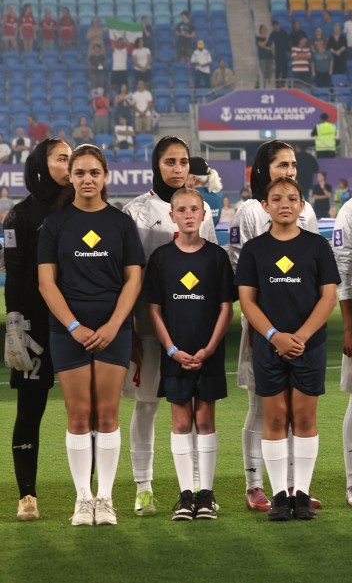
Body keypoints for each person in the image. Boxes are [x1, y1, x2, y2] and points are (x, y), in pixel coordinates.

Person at [37, 145, 145, 525]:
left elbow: (134, 278)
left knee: (108, 414)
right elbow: (47, 283)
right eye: (80, 173)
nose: (87, 179)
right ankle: (83, 498)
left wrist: (115, 325)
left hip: (112, 329)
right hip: (69, 331)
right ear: (71, 177)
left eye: (94, 173)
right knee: (79, 415)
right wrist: (73, 326)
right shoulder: (55, 225)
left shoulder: (120, 223)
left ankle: (106, 498)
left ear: (105, 177)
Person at [121, 138, 219, 515]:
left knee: (193, 406)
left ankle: (196, 487)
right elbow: (131, 274)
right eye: (169, 162)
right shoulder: (137, 211)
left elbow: (209, 266)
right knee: (147, 406)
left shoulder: (201, 208)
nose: (178, 169)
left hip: (192, 325)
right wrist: (130, 326)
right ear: (155, 165)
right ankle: (143, 486)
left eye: (182, 162)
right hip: (150, 324)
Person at [237, 177, 339, 521]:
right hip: (269, 346)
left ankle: (303, 494)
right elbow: (247, 302)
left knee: (305, 417)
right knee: (276, 417)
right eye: (277, 198)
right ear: (264, 206)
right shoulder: (254, 250)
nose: (285, 203)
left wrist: (302, 337)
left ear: (301, 206)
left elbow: (329, 296)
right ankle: (280, 495)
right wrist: (275, 336)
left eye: (292, 198)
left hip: (309, 345)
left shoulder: (317, 246)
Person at [227, 141, 321, 511]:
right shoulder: (249, 211)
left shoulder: (306, 209)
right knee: (262, 406)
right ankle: (254, 484)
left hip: (299, 328)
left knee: (298, 411)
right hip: (263, 326)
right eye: (283, 164)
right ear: (263, 170)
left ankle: (293, 486)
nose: (290, 170)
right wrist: (260, 328)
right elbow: (244, 271)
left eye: (294, 164)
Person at [145, 188, 234, 520]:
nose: (187, 214)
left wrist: (209, 348)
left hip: (207, 352)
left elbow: (226, 307)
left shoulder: (216, 257)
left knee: (205, 420)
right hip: (175, 354)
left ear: (203, 214)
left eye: (193, 209)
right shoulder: (162, 259)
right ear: (172, 217)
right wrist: (171, 350)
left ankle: (206, 494)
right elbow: (154, 309)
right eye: (180, 209)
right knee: (181, 422)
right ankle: (186, 495)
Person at [3, 140, 72, 521]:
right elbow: (14, 276)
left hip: (79, 328)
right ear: (42, 166)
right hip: (35, 329)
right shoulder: (18, 217)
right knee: (30, 410)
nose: (70, 164)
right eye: (63, 158)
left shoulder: (83, 208)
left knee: (87, 412)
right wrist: (15, 324)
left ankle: (89, 493)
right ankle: (27, 495)